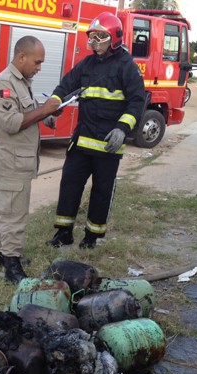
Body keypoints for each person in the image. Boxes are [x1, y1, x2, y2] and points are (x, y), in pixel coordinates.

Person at [46, 12, 146, 249]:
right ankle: (64, 233)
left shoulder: (127, 67)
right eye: (92, 37)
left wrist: (122, 129)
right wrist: (52, 107)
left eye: (100, 37)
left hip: (109, 144)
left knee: (102, 191)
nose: (94, 42)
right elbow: (65, 86)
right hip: (82, 141)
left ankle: (92, 237)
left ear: (114, 38)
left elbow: (137, 102)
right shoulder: (87, 64)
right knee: (69, 185)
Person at [0, 36, 61, 284]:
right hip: (12, 161)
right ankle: (12, 266)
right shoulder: (4, 84)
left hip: (19, 159)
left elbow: (26, 113)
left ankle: (4, 254)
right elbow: (10, 123)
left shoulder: (22, 82)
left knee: (8, 210)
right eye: (37, 62)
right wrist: (45, 110)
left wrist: (46, 116)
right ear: (21, 57)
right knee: (13, 215)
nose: (39, 67)